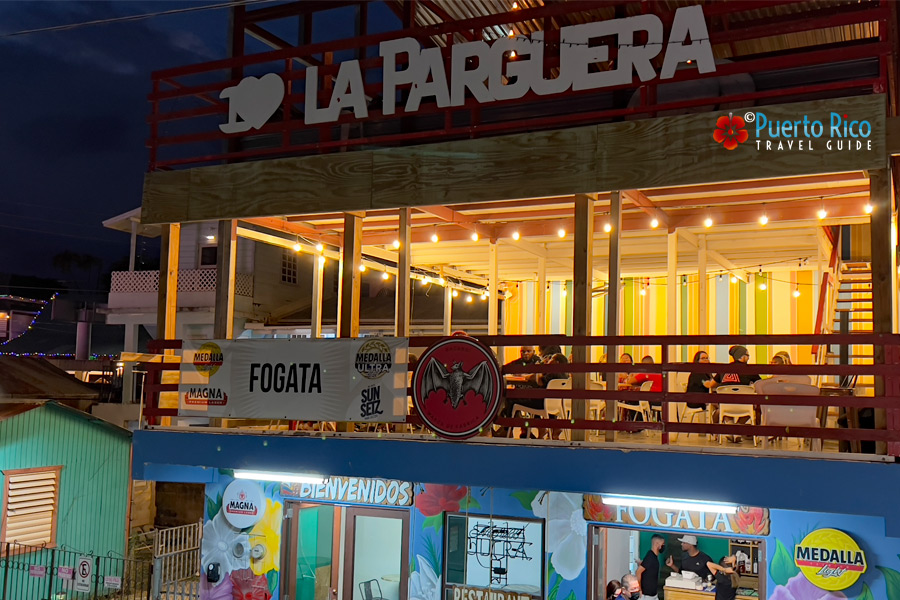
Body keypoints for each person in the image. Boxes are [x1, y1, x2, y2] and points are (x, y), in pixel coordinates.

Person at [635, 534, 665, 600]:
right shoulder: (650, 557)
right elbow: (638, 572)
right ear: (657, 544)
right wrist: (639, 589)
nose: (663, 546)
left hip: (653, 594)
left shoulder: (653, 557)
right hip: (646, 596)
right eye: (662, 544)